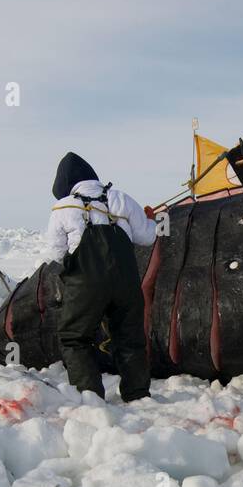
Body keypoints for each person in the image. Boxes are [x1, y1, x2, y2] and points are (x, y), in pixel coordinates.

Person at [44, 151, 157, 402]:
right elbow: (147, 237)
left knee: (75, 338)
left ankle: (91, 397)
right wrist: (150, 221)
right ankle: (138, 394)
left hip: (85, 284)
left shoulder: (63, 207)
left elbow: (55, 252)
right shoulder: (122, 199)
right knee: (129, 337)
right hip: (126, 282)